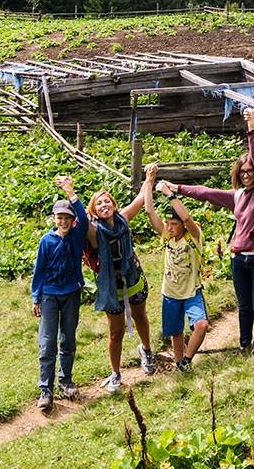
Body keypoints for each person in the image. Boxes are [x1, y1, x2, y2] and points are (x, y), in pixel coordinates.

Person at [168, 108, 254, 355]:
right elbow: (206, 192)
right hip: (238, 259)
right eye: (243, 172)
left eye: (250, 172)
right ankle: (244, 343)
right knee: (244, 305)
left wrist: (252, 128)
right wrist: (178, 188)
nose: (247, 175)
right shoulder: (236, 196)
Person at [86, 163, 157, 393]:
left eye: (107, 201)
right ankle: (116, 373)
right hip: (111, 286)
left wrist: (150, 177)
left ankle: (146, 350)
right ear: (94, 211)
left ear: (114, 205)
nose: (104, 204)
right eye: (99, 203)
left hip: (133, 276)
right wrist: (70, 193)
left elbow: (140, 197)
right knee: (115, 331)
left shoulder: (124, 218)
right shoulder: (94, 231)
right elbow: (79, 215)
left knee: (140, 316)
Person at [32, 177, 91, 410]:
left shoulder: (77, 237)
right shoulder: (46, 240)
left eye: (68, 217)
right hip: (49, 295)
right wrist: (35, 297)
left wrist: (70, 192)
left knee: (68, 339)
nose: (64, 221)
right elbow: (39, 270)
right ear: (54, 219)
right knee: (47, 342)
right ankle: (45, 390)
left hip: (71, 293)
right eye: (60, 217)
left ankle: (65, 381)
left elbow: (84, 218)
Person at [145, 179, 209, 371]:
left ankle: (187, 359)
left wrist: (169, 194)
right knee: (176, 332)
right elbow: (149, 211)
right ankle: (180, 364)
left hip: (192, 292)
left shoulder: (194, 236)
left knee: (202, 325)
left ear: (182, 225)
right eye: (168, 223)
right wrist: (149, 181)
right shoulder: (167, 236)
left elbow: (188, 219)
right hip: (170, 293)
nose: (170, 227)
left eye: (174, 223)